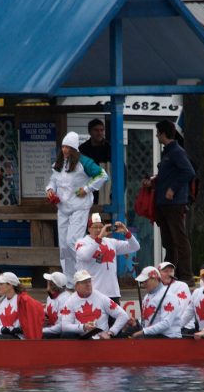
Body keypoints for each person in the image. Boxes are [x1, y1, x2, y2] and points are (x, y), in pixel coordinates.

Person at [47, 132, 108, 284]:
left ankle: (82, 275)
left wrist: (87, 189)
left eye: (68, 147)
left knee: (72, 242)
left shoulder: (84, 162)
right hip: (62, 208)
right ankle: (69, 281)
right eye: (63, 146)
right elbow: (53, 180)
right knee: (63, 246)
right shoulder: (59, 163)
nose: (65, 150)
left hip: (79, 207)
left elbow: (102, 175)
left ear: (74, 148)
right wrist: (50, 190)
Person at [144, 120, 195, 283]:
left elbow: (188, 171)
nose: (156, 135)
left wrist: (173, 189)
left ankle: (186, 276)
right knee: (169, 241)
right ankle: (171, 275)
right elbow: (169, 174)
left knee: (179, 240)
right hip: (164, 205)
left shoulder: (176, 151)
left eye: (158, 132)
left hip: (174, 204)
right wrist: (153, 181)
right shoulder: (168, 152)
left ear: (163, 133)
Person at [74, 214, 140, 301]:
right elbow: (85, 256)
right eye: (95, 227)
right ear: (89, 229)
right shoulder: (82, 242)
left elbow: (135, 247)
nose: (98, 230)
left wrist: (126, 232)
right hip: (93, 293)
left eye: (100, 227)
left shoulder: (111, 242)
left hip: (113, 292)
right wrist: (99, 238)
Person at [57, 270, 130, 339]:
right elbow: (65, 326)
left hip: (101, 339)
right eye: (84, 282)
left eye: (89, 281)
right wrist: (83, 327)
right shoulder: (70, 301)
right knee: (66, 335)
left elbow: (123, 315)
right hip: (81, 341)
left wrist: (111, 332)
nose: (88, 284)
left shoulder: (101, 298)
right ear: (76, 286)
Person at [0, 272, 45, 339]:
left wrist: (17, 329)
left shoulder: (23, 300)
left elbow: (35, 312)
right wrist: (1, 328)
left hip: (17, 338)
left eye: (1, 284)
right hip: (1, 335)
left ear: (10, 285)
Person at [131, 266, 184, 339]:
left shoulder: (169, 296)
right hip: (153, 338)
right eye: (142, 282)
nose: (143, 284)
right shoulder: (147, 296)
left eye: (146, 281)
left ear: (155, 279)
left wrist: (144, 331)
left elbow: (166, 323)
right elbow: (147, 320)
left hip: (170, 340)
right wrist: (136, 323)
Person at [42, 272, 71, 337]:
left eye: (49, 282)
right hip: (52, 328)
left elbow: (61, 326)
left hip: (59, 333)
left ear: (52, 285)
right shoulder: (50, 297)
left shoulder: (65, 300)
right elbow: (47, 313)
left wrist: (42, 330)